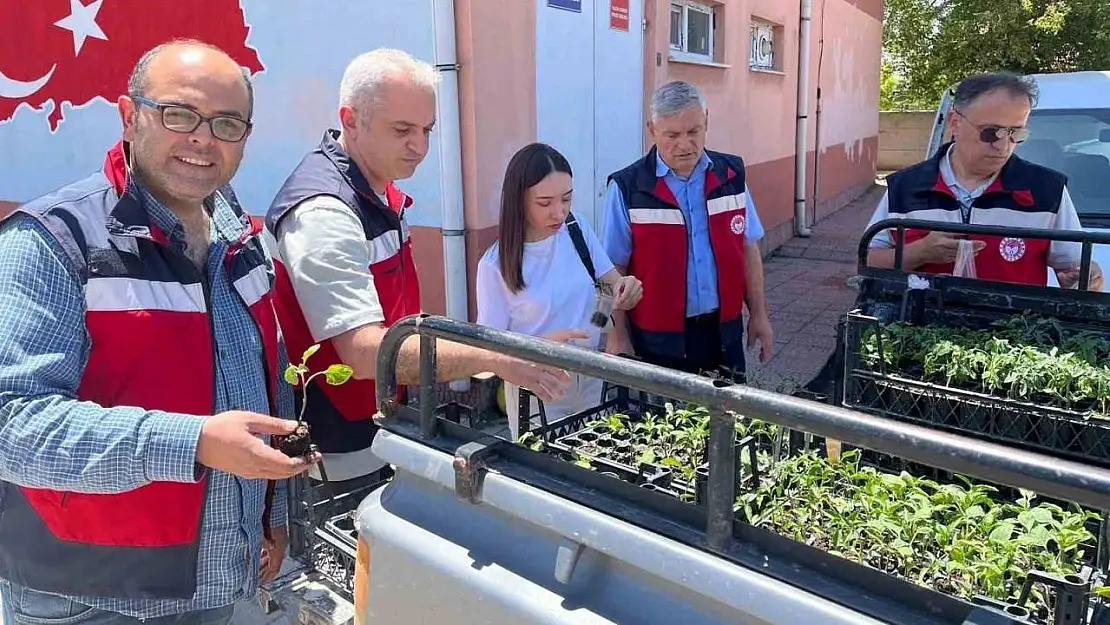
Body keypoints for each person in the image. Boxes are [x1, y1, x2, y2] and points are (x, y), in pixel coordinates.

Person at [0, 40, 313, 624]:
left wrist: (271, 519)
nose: (202, 138)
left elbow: (266, 387)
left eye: (226, 123)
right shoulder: (53, 241)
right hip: (87, 595)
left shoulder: (243, 242)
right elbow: (11, 425)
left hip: (225, 577)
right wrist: (192, 442)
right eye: (179, 114)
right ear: (128, 115)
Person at [265, 49, 572, 486]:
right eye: (403, 130)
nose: (421, 146)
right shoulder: (324, 212)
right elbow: (366, 353)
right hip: (337, 446)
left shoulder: (375, 189)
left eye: (427, 129)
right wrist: (502, 357)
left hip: (376, 420)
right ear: (350, 119)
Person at [865, 71, 1104, 291]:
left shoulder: (1047, 190)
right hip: (923, 330)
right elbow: (868, 260)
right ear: (955, 123)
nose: (1003, 145)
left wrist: (1088, 277)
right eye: (991, 132)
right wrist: (919, 253)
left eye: (1015, 133)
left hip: (1012, 333)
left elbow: (1074, 268)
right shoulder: (906, 187)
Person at [602, 80, 774, 382]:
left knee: (727, 424)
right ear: (651, 130)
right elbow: (612, 270)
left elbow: (747, 248)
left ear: (706, 121)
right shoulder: (628, 188)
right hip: (656, 340)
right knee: (664, 427)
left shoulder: (731, 177)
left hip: (724, 334)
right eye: (672, 135)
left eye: (694, 132)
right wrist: (617, 336)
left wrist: (759, 314)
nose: (685, 144)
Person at [477, 143, 643, 439]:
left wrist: (613, 304)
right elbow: (488, 353)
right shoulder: (495, 265)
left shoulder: (577, 229)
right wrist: (540, 345)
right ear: (518, 200)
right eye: (545, 202)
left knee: (597, 464)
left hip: (592, 373)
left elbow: (606, 285)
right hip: (539, 384)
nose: (559, 212)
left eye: (566, 199)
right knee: (546, 476)